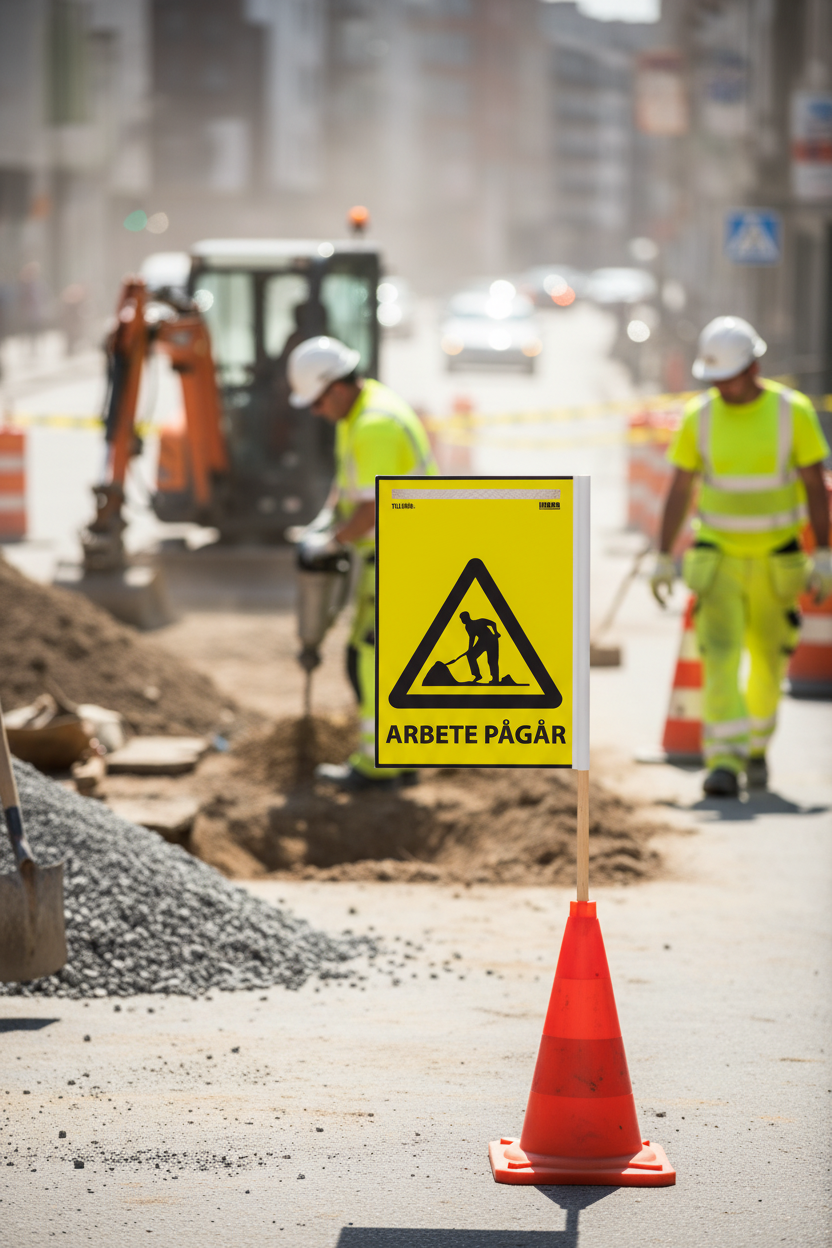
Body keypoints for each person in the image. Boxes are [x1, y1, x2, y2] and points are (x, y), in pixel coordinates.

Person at [651, 316, 831, 798]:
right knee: (721, 659)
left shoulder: (791, 412)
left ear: (754, 367)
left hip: (777, 562)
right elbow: (680, 486)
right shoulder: (700, 416)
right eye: (714, 379)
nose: (721, 388)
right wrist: (663, 554)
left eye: (728, 377)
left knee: (769, 666)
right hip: (720, 559)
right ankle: (725, 761)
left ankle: (755, 747)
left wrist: (827, 553)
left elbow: (815, 485)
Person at [288, 336, 438, 789]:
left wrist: (331, 542)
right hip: (394, 554)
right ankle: (404, 756)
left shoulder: (373, 424)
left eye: (315, 404)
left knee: (373, 658)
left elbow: (375, 508)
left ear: (333, 388)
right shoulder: (360, 412)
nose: (315, 413)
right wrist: (324, 523)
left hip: (406, 555)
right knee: (374, 654)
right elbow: (348, 487)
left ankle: (381, 764)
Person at [459, 611, 500, 683]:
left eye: (462, 619)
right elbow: (472, 638)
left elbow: (493, 623)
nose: (462, 621)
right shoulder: (468, 627)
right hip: (482, 642)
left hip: (491, 641)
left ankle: (495, 679)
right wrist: (470, 650)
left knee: (492, 661)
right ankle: (477, 675)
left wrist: (496, 632)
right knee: (470, 655)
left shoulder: (481, 621)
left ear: (467, 618)